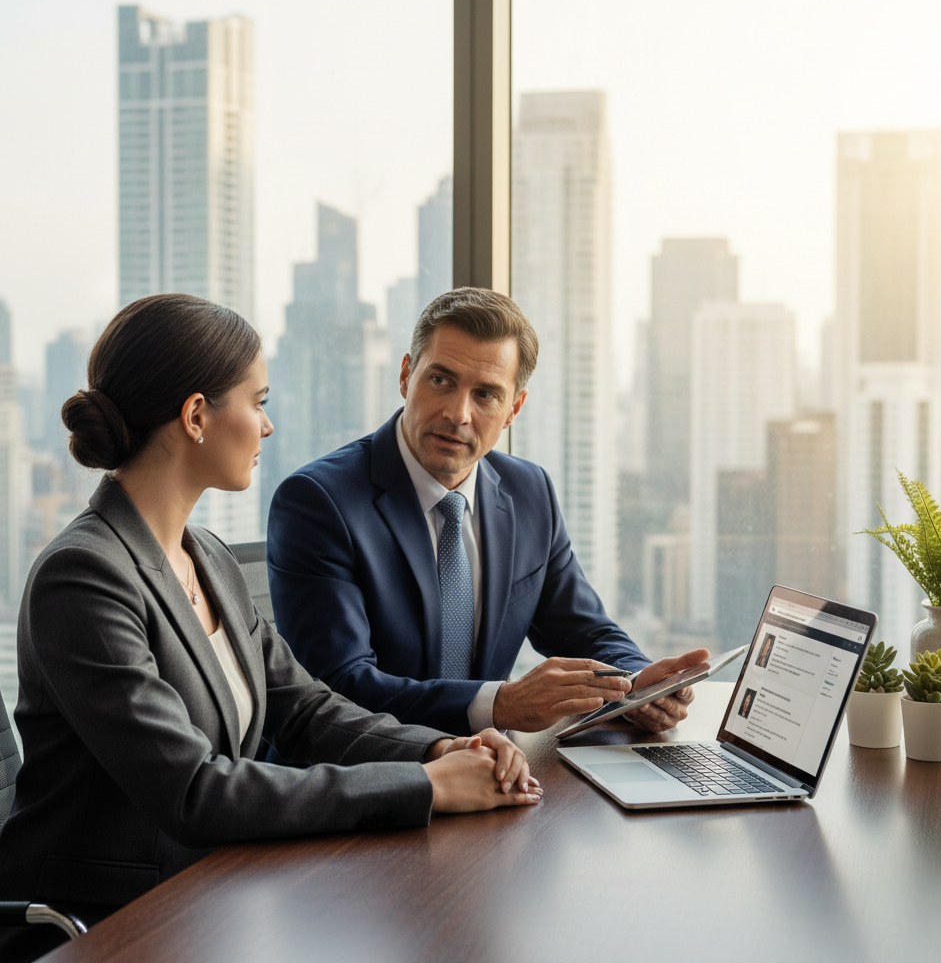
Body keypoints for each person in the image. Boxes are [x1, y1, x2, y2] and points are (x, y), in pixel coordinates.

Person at [0, 294, 538, 963]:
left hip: (214, 891)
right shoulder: (83, 575)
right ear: (197, 416)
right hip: (106, 924)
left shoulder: (210, 557)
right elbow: (195, 790)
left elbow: (303, 709)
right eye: (257, 402)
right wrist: (425, 789)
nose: (268, 425)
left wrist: (440, 751)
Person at [267, 288, 709, 737]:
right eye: (440, 380)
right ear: (406, 376)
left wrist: (637, 683)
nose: (458, 413)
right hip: (369, 781)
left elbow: (585, 632)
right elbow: (337, 689)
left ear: (514, 408)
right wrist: (498, 705)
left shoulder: (528, 491)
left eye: (485, 394)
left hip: (495, 775)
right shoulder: (319, 502)